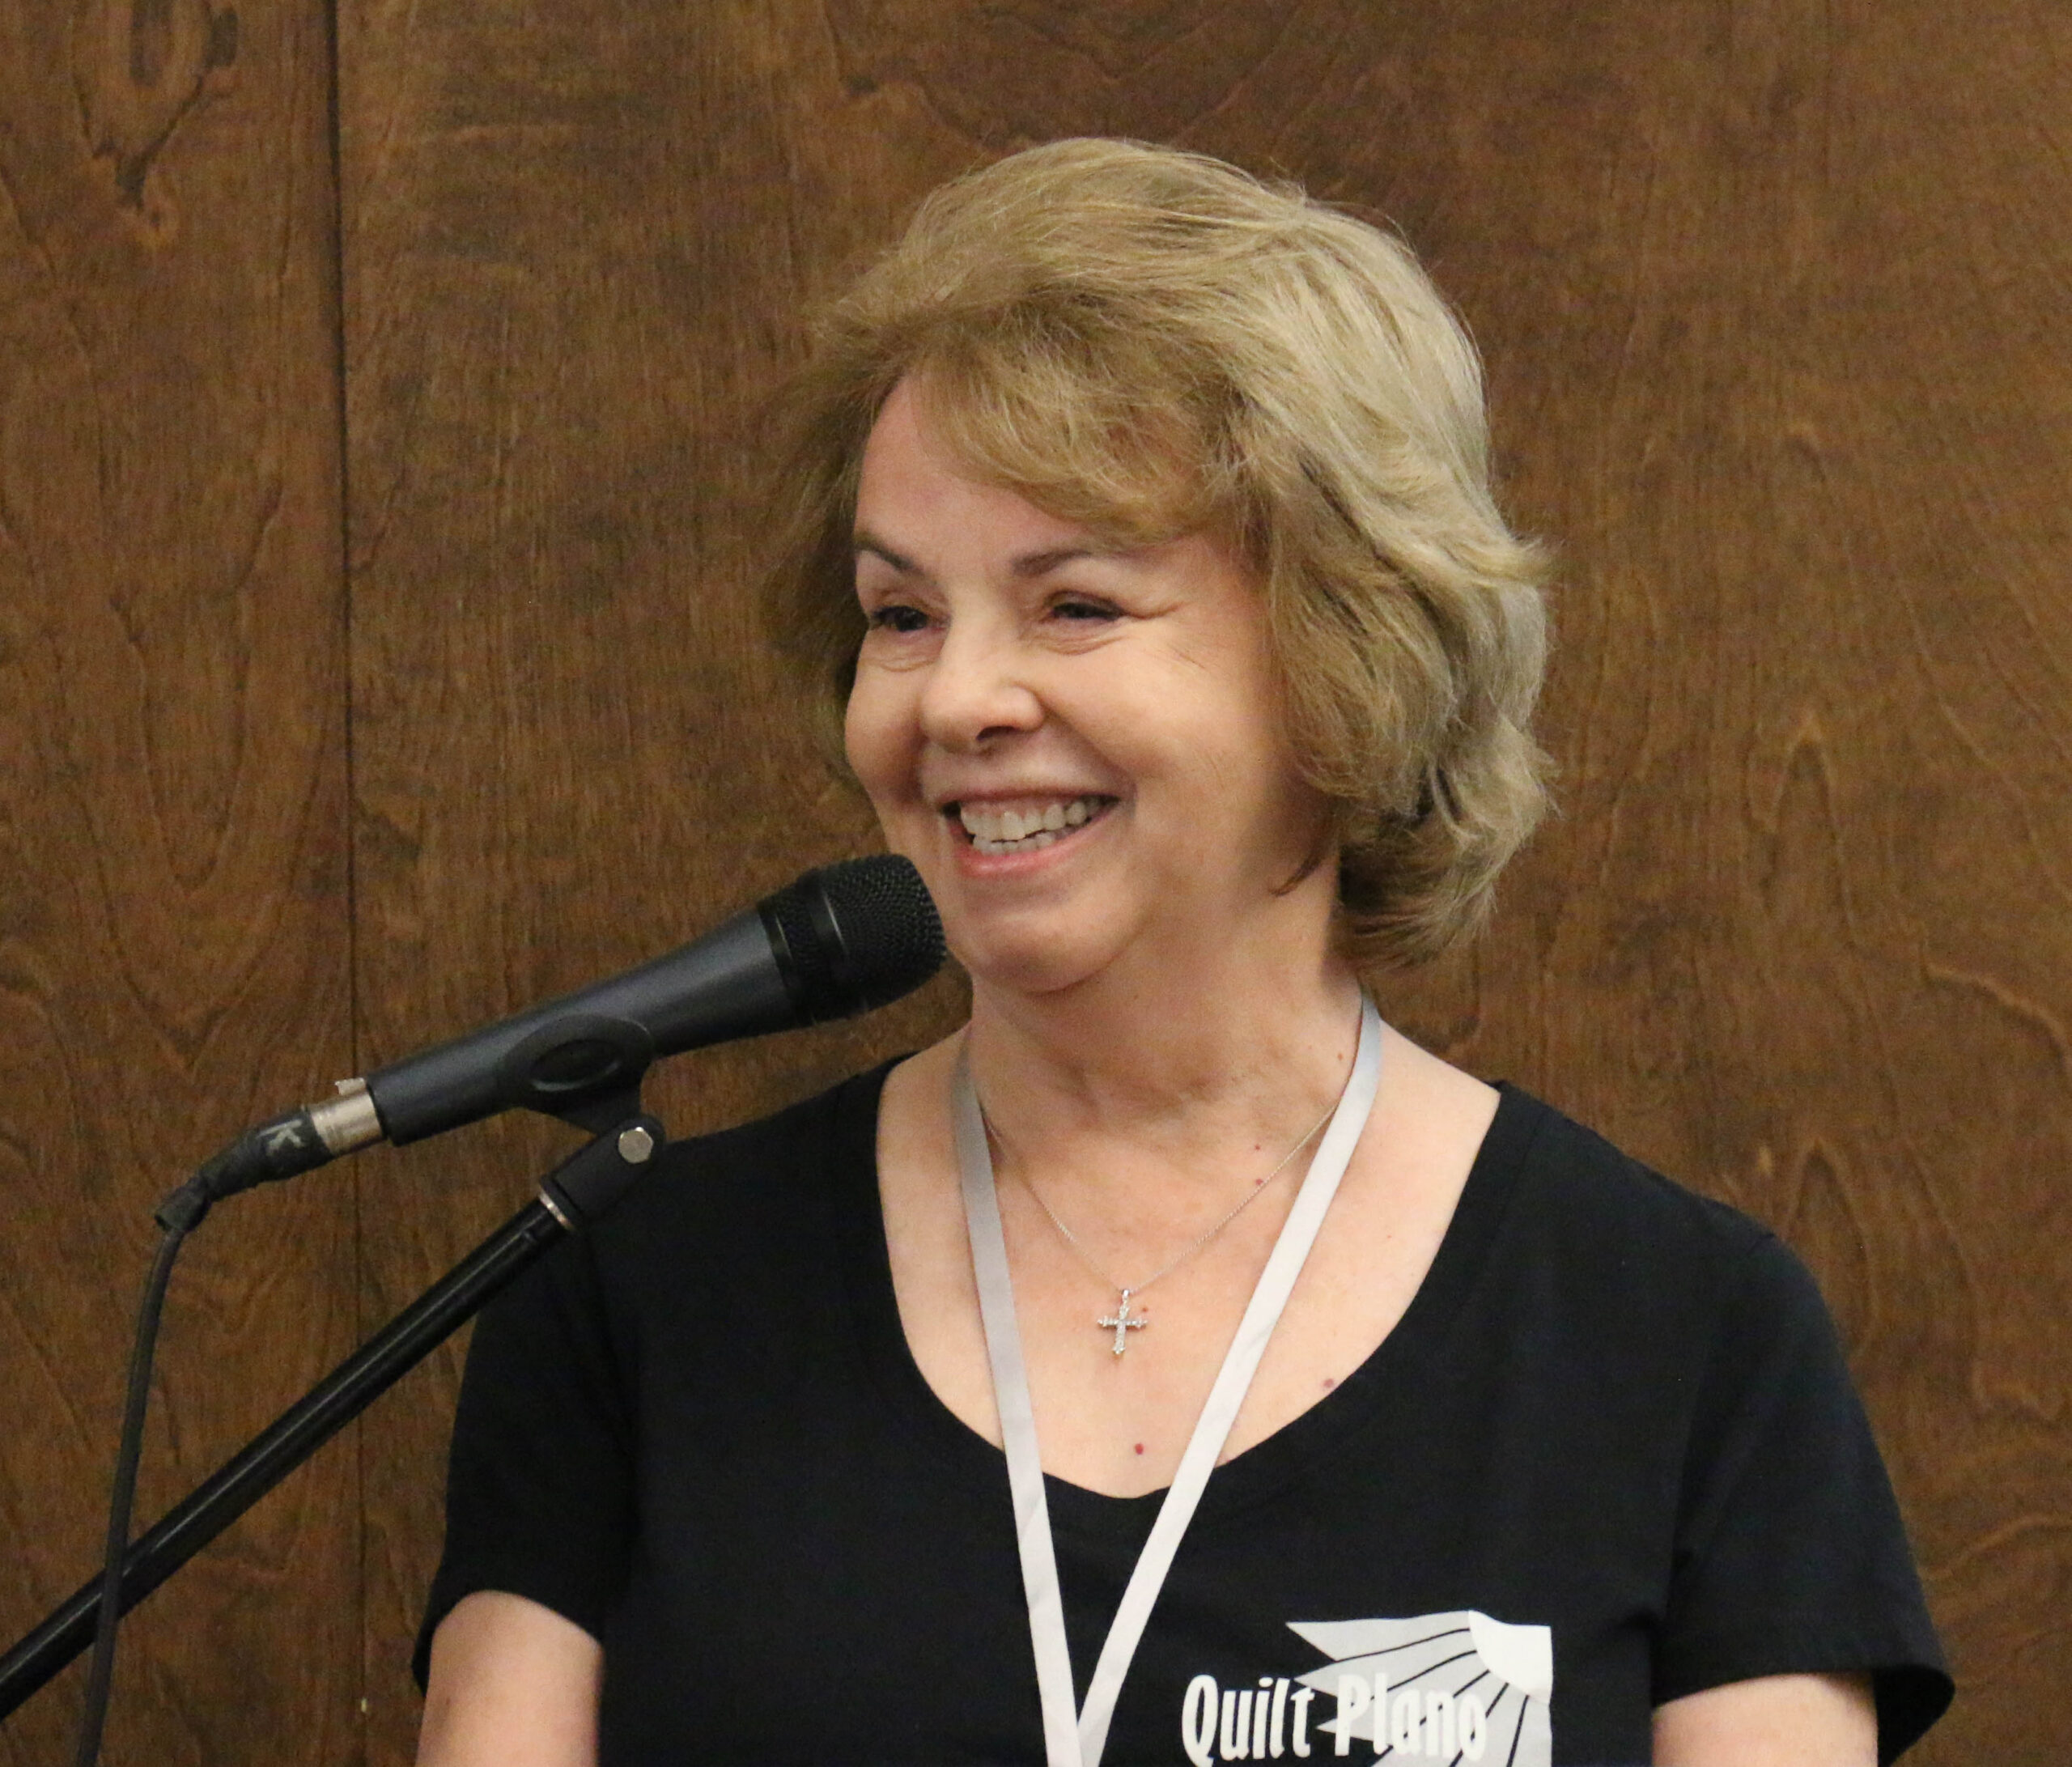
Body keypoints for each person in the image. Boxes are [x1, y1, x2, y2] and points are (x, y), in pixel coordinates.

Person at [412, 140, 1950, 1766]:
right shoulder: (638, 1298)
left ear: (1346, 650)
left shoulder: (1682, 1333)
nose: (957, 701)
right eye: (902, 615)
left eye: (1074, 605)